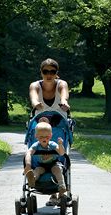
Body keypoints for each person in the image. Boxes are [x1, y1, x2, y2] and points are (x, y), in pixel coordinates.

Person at [29, 58, 70, 206]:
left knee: (59, 154)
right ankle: (33, 176)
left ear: (56, 73)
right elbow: (33, 96)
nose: (49, 74)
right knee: (38, 150)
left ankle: (59, 191)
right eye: (45, 71)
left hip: (59, 125)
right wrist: (35, 103)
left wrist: (64, 102)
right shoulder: (35, 85)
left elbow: (64, 93)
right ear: (41, 72)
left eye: (52, 71)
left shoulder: (61, 84)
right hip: (39, 125)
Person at [24, 122, 66, 203]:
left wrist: (60, 145)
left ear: (50, 136)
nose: (44, 139)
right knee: (37, 170)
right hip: (42, 165)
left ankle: (61, 185)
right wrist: (28, 165)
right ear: (36, 136)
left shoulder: (53, 144)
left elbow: (61, 153)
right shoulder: (35, 145)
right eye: (41, 137)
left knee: (57, 169)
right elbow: (28, 153)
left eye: (47, 137)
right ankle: (33, 179)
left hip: (54, 163)